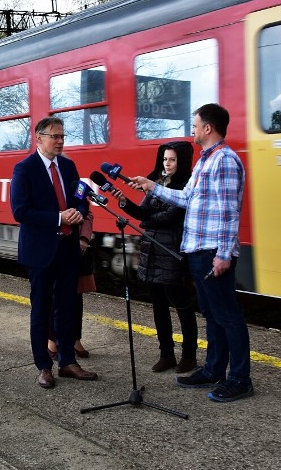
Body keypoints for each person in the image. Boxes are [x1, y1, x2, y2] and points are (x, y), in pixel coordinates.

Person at [129, 103, 251, 402]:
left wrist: (224, 253)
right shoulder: (204, 160)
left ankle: (240, 378)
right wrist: (150, 187)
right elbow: (186, 198)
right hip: (197, 249)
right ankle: (213, 370)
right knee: (212, 313)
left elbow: (229, 212)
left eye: (195, 125)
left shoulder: (223, 160)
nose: (192, 130)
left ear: (208, 128)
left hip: (212, 251)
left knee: (228, 315)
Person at [10, 116, 98, 389]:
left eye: (62, 136)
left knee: (68, 307)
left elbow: (81, 199)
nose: (60, 141)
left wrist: (78, 212)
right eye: (54, 136)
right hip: (40, 252)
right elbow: (20, 211)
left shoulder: (69, 167)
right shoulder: (24, 169)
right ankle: (44, 366)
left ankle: (68, 362)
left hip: (68, 249)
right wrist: (59, 218)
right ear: (38, 138)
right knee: (42, 310)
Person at [112, 141, 198, 373]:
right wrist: (123, 202)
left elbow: (171, 216)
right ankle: (166, 354)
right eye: (164, 160)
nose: (167, 164)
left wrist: (146, 221)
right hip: (152, 250)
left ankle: (189, 356)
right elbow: (142, 212)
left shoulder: (186, 184)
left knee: (182, 305)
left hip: (172, 251)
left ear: (182, 161)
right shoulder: (158, 182)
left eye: (171, 160)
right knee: (159, 306)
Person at [47, 208, 94, 361]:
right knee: (54, 296)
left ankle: (75, 339)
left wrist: (84, 238)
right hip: (52, 244)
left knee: (76, 295)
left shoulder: (74, 185)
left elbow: (87, 213)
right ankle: (52, 341)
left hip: (75, 247)